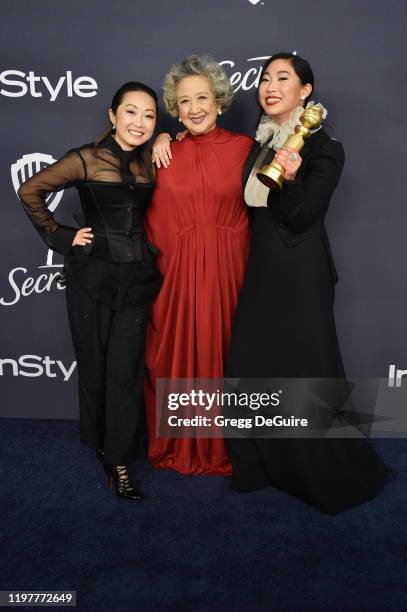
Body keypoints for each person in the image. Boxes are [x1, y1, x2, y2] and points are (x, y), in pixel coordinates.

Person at [223, 52, 390, 514]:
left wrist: (291, 178)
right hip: (261, 270)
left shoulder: (325, 148)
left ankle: (325, 473)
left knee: (305, 372)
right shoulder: (260, 142)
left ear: (306, 92)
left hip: (301, 273)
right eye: (264, 78)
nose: (269, 86)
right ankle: (262, 467)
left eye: (283, 78)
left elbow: (302, 217)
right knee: (249, 364)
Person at [17, 82, 162, 501]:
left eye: (150, 115)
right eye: (131, 112)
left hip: (136, 277)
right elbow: (31, 191)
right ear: (112, 116)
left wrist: (168, 136)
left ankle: (119, 462)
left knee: (125, 370)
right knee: (95, 365)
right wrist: (61, 237)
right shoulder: (85, 157)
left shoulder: (152, 163)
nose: (140, 122)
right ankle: (100, 442)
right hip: (91, 277)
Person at [144, 55, 253, 475]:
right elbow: (155, 219)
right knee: (177, 357)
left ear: (219, 101)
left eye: (202, 97)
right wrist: (162, 140)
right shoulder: (165, 152)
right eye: (184, 100)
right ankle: (184, 444)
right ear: (175, 108)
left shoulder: (246, 149)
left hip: (231, 272)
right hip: (179, 276)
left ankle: (228, 446)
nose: (194, 108)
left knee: (229, 353)